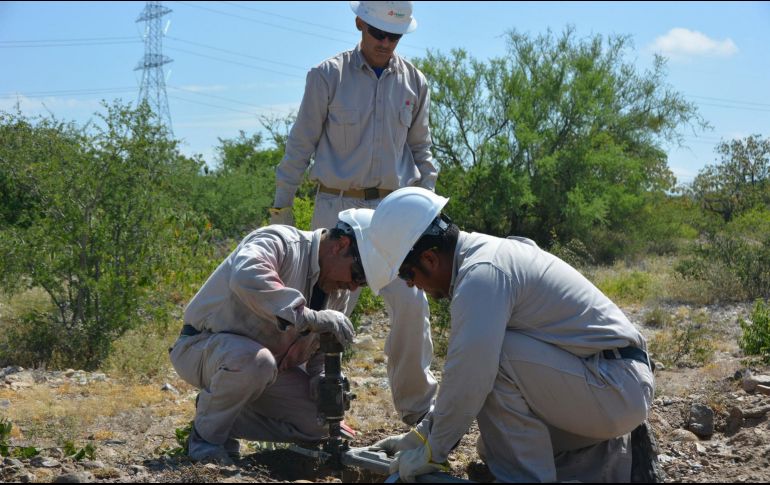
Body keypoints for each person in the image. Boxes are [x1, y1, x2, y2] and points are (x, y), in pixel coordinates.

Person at [360, 187, 656, 483]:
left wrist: (433, 450)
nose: (411, 285)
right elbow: (465, 379)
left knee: (493, 360)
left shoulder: (482, 274)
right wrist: (420, 437)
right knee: (495, 448)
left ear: (429, 258)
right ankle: (614, 460)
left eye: (407, 274)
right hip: (611, 385)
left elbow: (470, 374)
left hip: (614, 387)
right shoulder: (484, 257)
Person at [268, 1, 438, 426]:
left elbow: (422, 151)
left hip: (393, 211)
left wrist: (426, 207)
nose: (385, 42)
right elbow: (300, 145)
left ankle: (420, 412)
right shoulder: (327, 75)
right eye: (378, 32)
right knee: (323, 312)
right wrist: (281, 208)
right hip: (336, 210)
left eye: (394, 35)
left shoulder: (415, 82)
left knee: (412, 303)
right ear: (360, 23)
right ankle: (312, 411)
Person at [169, 209, 373, 464]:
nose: (354, 286)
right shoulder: (280, 242)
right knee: (255, 361)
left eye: (362, 283)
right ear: (341, 245)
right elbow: (245, 276)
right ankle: (205, 440)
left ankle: (221, 414)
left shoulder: (338, 292)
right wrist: (308, 317)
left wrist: (321, 379)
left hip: (266, 369)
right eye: (357, 274)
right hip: (203, 347)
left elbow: (321, 351)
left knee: (321, 422)